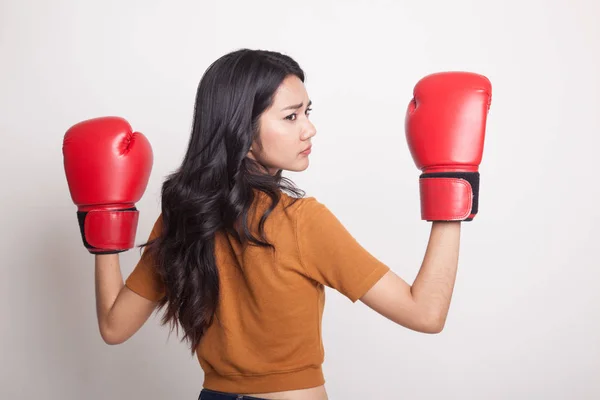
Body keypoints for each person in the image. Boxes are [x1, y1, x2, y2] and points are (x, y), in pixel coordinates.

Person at [62, 49, 492, 400]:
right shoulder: (302, 221)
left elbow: (114, 328)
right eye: (291, 117)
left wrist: (103, 222)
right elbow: (426, 313)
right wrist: (449, 181)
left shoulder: (183, 216)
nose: (310, 129)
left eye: (307, 111)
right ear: (241, 130)